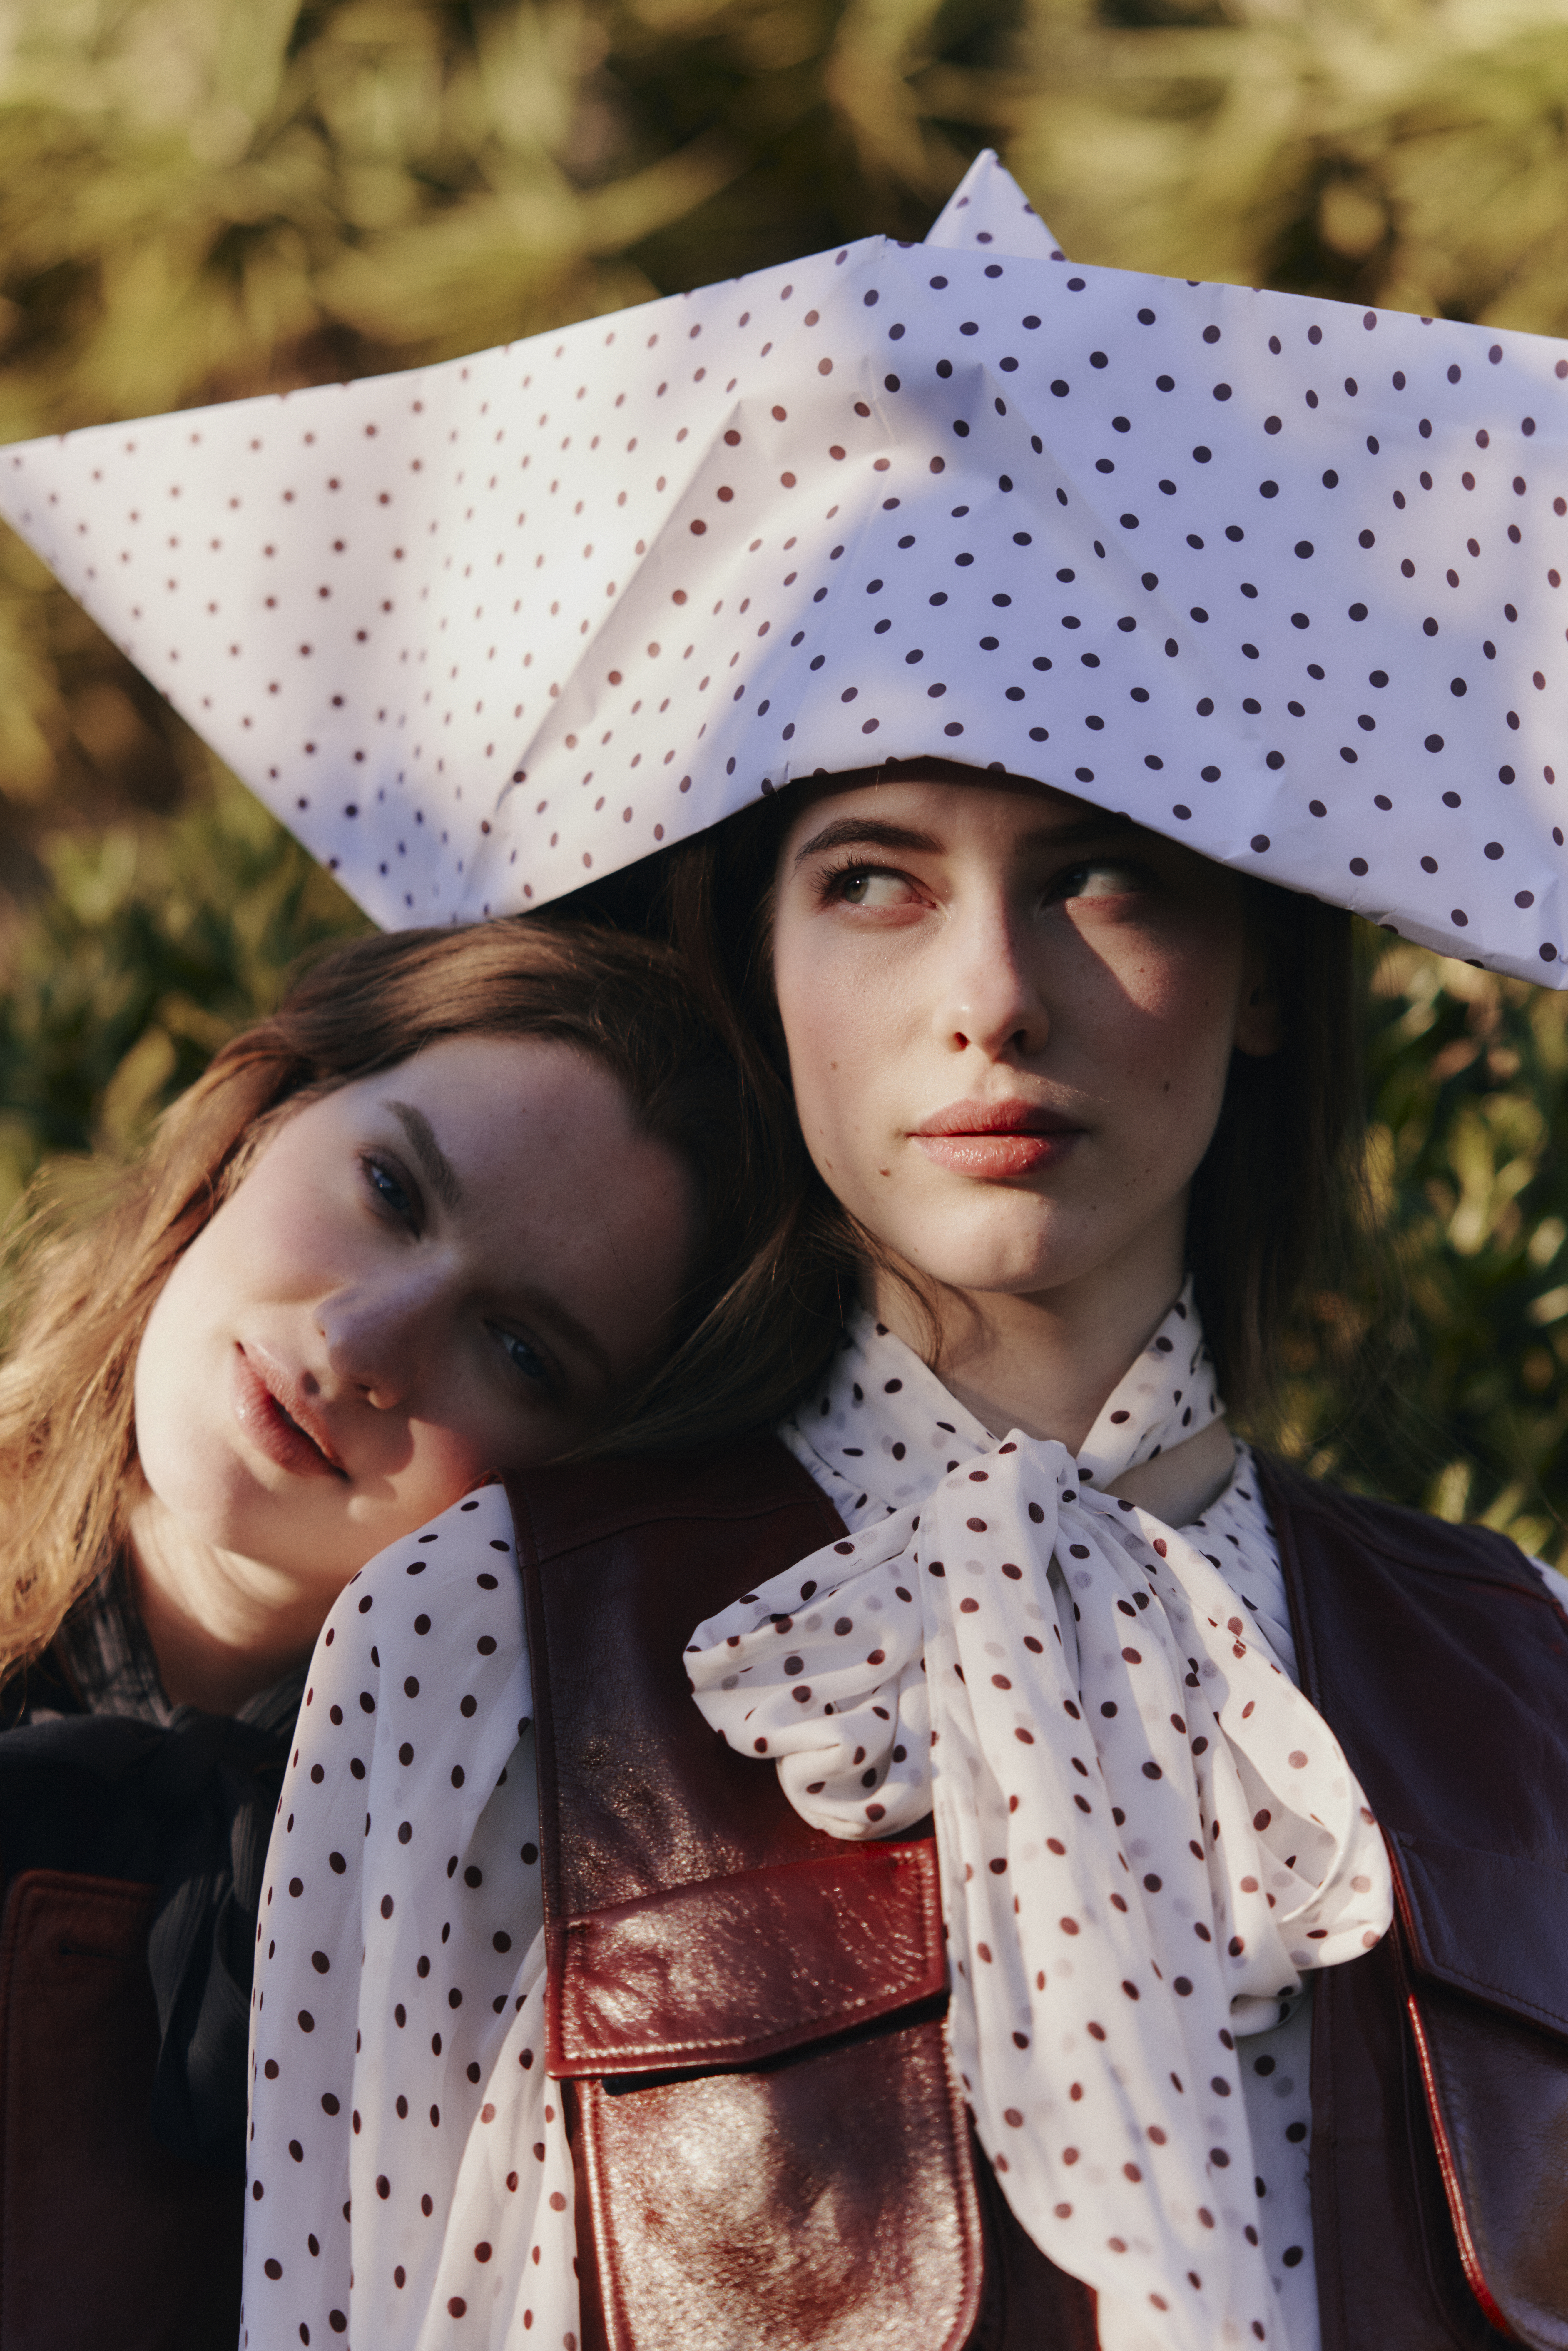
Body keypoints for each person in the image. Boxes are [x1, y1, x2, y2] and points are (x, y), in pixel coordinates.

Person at [4, 146, 1565, 2351]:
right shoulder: (488, 1630)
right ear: (763, 958)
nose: (991, 997)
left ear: (1271, 963)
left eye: (1106, 876)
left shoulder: (1525, 1670)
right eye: (869, 877)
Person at [0, 913, 829, 2350]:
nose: (366, 1339)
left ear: (587, 1479)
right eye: (389, 1187)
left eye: (520, 1348)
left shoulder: (528, 1976)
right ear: (265, 1117)